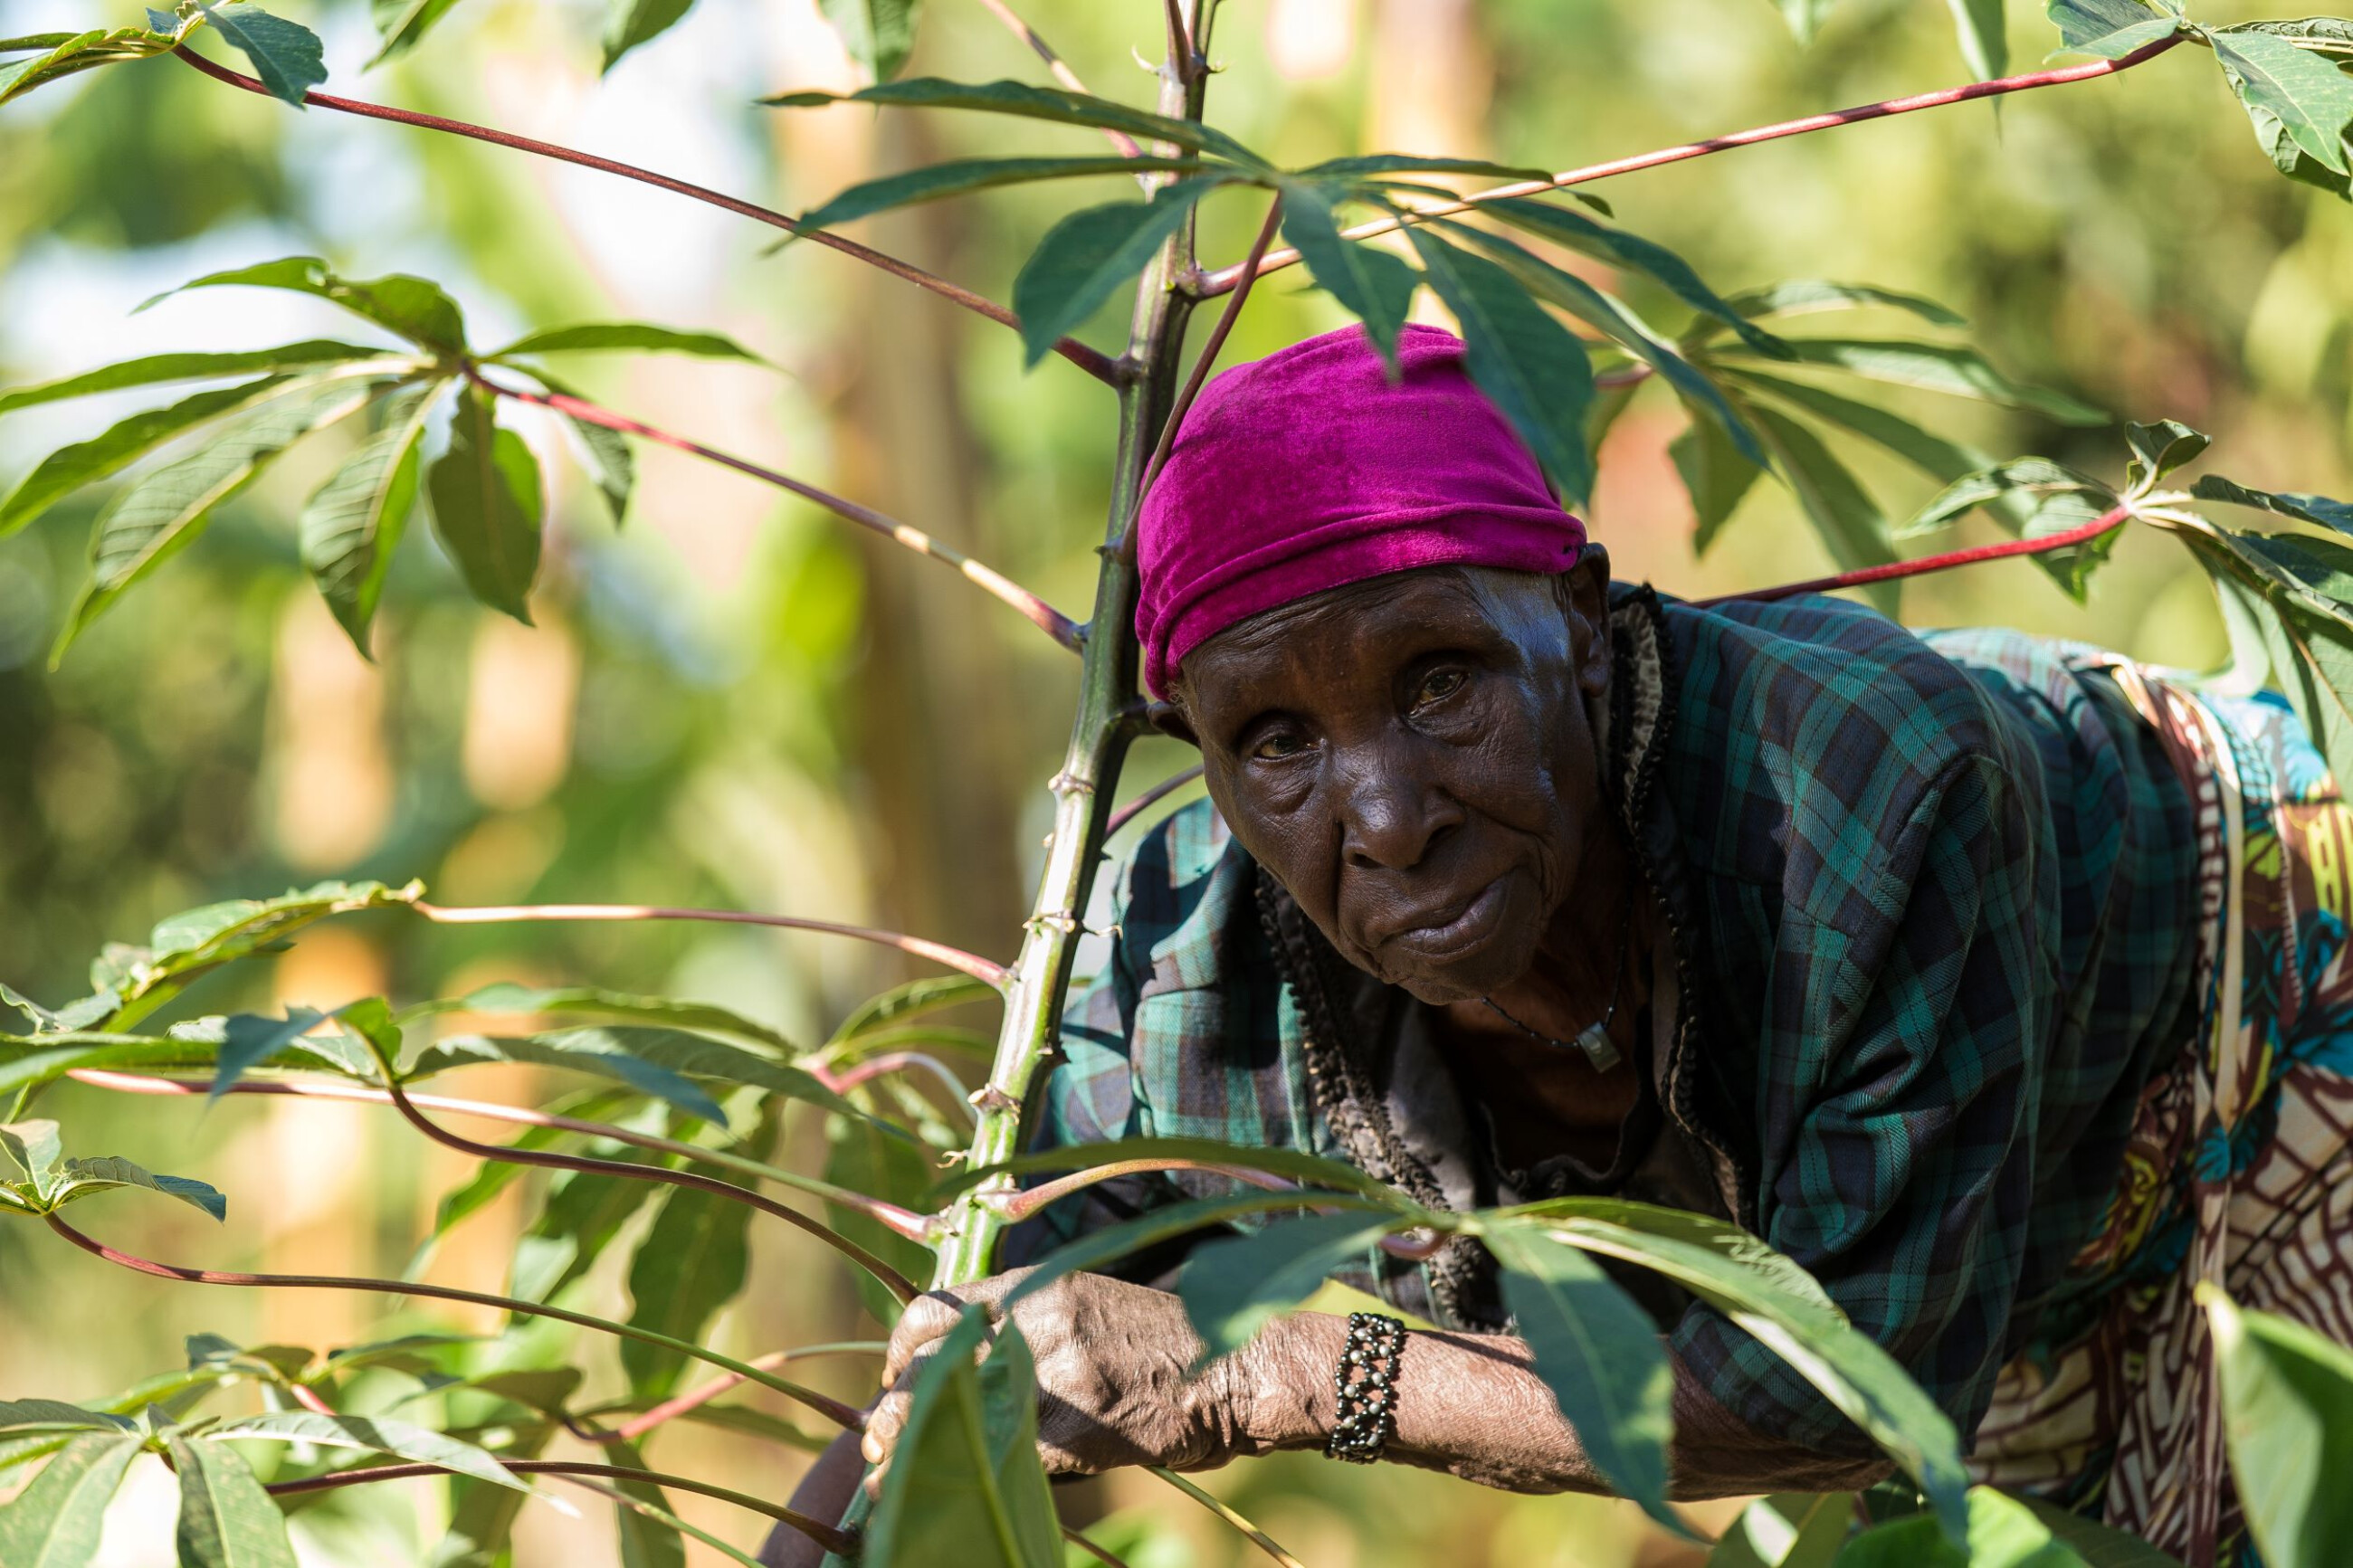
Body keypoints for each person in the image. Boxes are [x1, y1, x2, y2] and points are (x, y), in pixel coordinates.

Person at [767, 325, 2353, 1568]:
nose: (1385, 818)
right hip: (2008, 1290)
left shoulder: (1874, 791)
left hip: (2270, 995)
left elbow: (1853, 1386)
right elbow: (985, 1374)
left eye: (1442, 679)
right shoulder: (1171, 960)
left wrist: (1286, 1374)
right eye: (1275, 743)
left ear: (1584, 624)